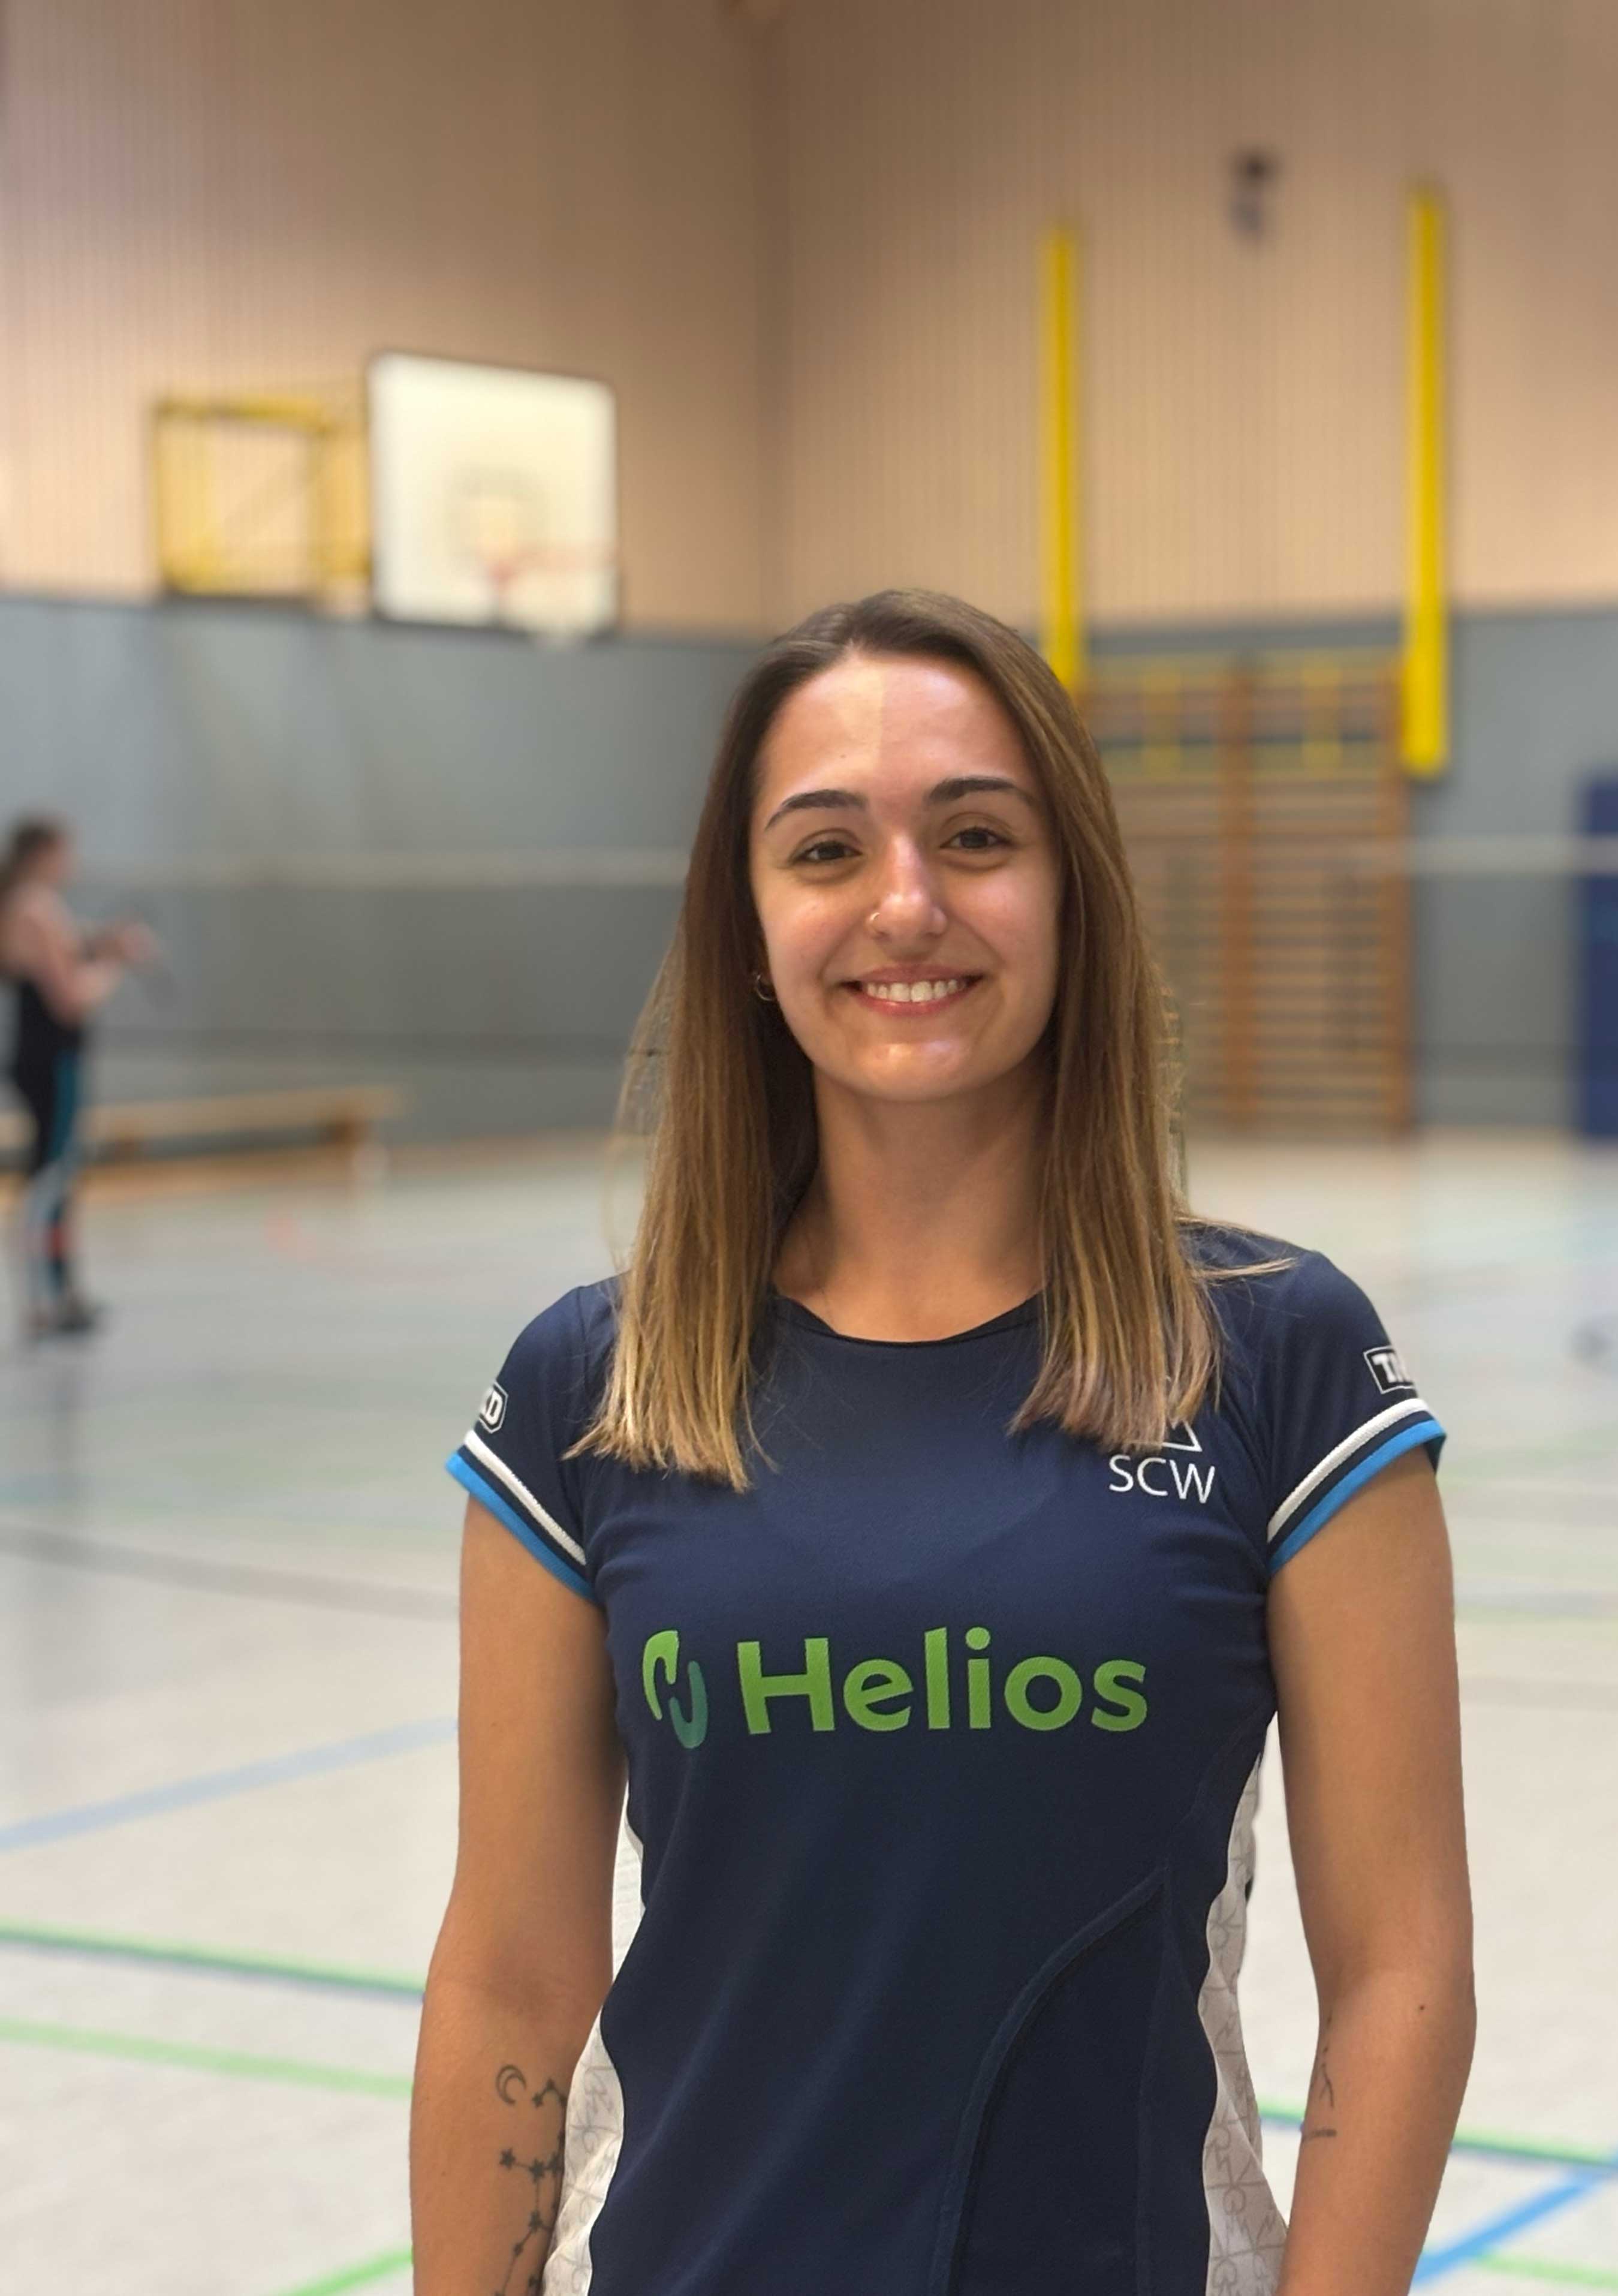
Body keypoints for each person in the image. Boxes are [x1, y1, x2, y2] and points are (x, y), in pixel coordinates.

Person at [413, 592, 1474, 2296]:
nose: (905, 902)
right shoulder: (592, 1390)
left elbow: (1400, 1965)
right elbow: (512, 1980)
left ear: (1073, 895)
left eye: (976, 836)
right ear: (749, 924)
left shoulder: (1279, 1363)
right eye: (826, 848)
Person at [0, 817, 155, 1338]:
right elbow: (69, 999)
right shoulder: (36, 907)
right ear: (43, 853)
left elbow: (65, 951)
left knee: (56, 1178)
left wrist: (101, 944)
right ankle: (45, 1298)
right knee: (50, 1180)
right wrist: (114, 965)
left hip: (38, 1057)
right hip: (52, 1058)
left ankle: (59, 1292)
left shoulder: (25, 904)